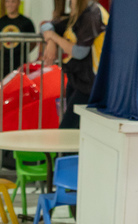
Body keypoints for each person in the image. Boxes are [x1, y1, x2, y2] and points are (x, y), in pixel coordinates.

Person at [41, 0, 105, 129]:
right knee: (74, 130)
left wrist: (54, 37)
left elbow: (79, 52)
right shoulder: (78, 16)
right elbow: (46, 26)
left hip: (91, 84)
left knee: (67, 128)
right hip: (77, 80)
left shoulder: (92, 14)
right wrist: (51, 41)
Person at [0, 0, 36, 79]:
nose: (10, 4)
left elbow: (33, 42)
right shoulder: (0, 22)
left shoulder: (26, 22)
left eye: (13, 2)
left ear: (19, 3)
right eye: (7, 2)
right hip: (4, 63)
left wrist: (23, 51)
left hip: (21, 62)